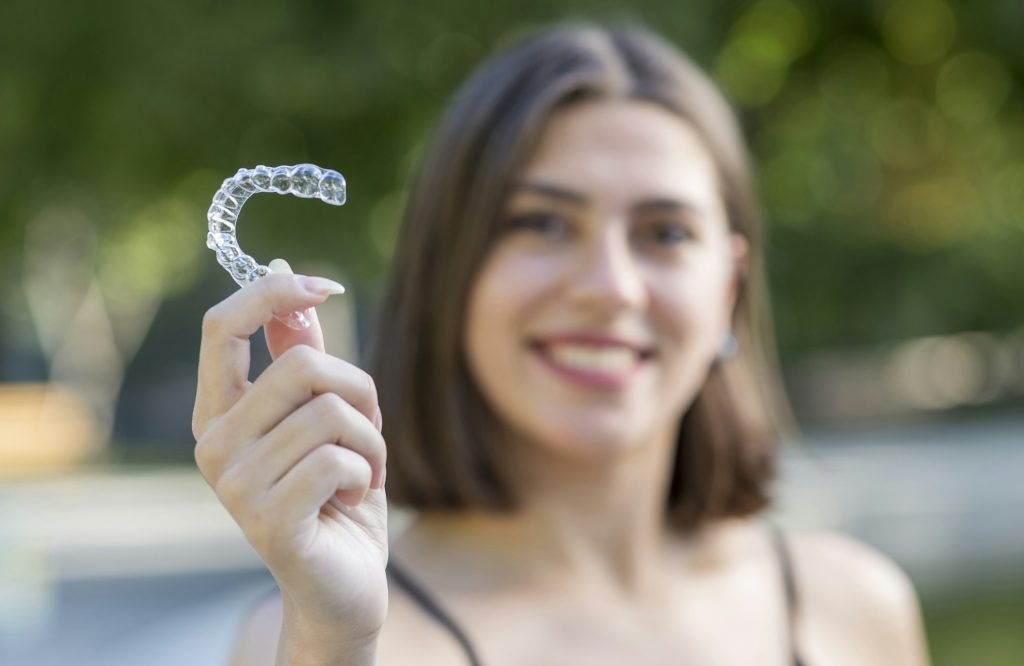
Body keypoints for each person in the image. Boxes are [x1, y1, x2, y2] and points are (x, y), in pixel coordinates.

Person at [192, 21, 930, 666]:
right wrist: (335, 646)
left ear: (728, 289)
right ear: (451, 270)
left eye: (665, 233)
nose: (609, 286)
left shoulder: (856, 612)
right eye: (542, 224)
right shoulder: (320, 639)